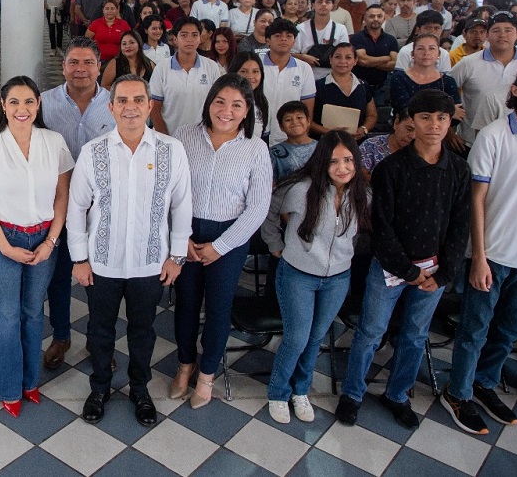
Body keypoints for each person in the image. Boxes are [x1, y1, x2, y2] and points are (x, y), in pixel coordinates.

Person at [337, 90, 471, 429]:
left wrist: (443, 274)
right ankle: (352, 393)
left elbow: (460, 225)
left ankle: (397, 394)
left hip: (434, 270)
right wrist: (408, 270)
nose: (434, 125)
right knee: (371, 331)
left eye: (441, 118)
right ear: (412, 120)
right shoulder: (391, 168)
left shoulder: (458, 168)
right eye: (425, 118)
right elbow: (381, 227)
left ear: (450, 122)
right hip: (390, 268)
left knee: (415, 335)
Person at [68, 75, 191, 426]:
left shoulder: (171, 150)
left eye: (138, 99)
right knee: (99, 330)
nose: (130, 107)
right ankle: (100, 388)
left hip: (150, 263)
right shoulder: (93, 151)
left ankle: (140, 389)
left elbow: (182, 205)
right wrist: (79, 258)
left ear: (150, 106)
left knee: (143, 331)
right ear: (111, 107)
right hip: (102, 263)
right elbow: (77, 207)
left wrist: (177, 256)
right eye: (122, 100)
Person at [0, 76, 73, 417]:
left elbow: (62, 197)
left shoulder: (54, 142)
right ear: (3, 105)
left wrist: (51, 241)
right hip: (3, 238)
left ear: (38, 104)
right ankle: (7, 386)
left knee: (32, 310)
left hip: (44, 238)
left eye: (29, 101)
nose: (22, 109)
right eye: (14, 102)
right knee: (6, 313)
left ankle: (30, 381)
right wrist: (5, 247)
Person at [171, 74, 273, 408]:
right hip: (187, 232)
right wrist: (181, 236)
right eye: (220, 101)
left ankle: (207, 375)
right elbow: (169, 189)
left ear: (247, 111)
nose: (226, 111)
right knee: (186, 304)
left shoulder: (255, 148)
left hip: (230, 236)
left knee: (218, 308)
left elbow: (258, 208)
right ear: (209, 102)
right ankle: (185, 365)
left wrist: (221, 247)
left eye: (236, 105)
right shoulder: (185, 136)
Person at [262, 131, 371, 424]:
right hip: (298, 275)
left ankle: (301, 390)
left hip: (338, 279)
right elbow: (269, 211)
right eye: (334, 161)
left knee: (315, 339)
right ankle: (278, 393)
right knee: (296, 338)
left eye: (348, 160)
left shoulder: (362, 194)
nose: (342, 168)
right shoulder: (300, 189)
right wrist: (275, 244)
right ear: (322, 162)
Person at [441, 86, 517, 434]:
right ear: (516, 90)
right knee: (475, 329)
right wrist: (478, 256)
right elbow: (475, 199)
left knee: (508, 331)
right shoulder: (494, 135)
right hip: (493, 254)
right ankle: (458, 393)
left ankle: (485, 383)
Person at [40, 38, 116, 370]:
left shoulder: (115, 102)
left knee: (100, 280)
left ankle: (98, 340)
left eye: (87, 62)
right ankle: (61, 336)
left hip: (102, 209)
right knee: (58, 276)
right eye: (73, 62)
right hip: (57, 206)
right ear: (63, 67)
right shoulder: (44, 103)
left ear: (99, 67)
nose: (80, 69)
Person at [448, 10, 517, 149]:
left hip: (514, 146)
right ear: (487, 35)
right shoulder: (469, 63)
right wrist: (449, 132)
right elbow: (443, 90)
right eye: (496, 30)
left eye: (508, 30)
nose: (502, 35)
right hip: (471, 142)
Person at [149, 16, 224, 136]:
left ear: (200, 38)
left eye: (194, 35)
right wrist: (165, 138)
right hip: (170, 135)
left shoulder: (211, 67)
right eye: (184, 35)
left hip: (202, 137)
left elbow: (218, 104)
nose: (189, 39)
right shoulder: (162, 68)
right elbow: (154, 108)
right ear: (175, 39)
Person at [310, 43, 377, 140]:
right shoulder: (317, 86)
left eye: (348, 57)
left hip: (356, 143)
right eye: (338, 57)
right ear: (330, 59)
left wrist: (364, 129)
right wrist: (329, 132)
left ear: (355, 61)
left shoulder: (363, 86)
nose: (342, 61)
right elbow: (308, 120)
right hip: (325, 142)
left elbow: (372, 115)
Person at [269, 101, 317, 183]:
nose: (294, 122)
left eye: (299, 117)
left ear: (308, 121)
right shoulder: (274, 152)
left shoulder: (322, 147)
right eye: (288, 119)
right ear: (281, 127)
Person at [227, 51, 270, 140]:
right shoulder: (221, 100)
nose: (250, 76)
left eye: (255, 71)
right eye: (244, 71)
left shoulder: (262, 103)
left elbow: (264, 137)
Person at [86, 0, 131, 64]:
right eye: (107, 8)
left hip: (118, 60)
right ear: (103, 10)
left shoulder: (123, 24)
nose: (109, 11)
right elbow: (86, 39)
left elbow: (130, 39)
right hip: (98, 60)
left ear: (117, 10)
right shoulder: (96, 23)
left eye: (112, 8)